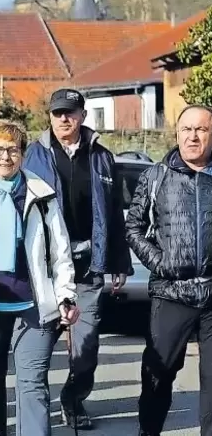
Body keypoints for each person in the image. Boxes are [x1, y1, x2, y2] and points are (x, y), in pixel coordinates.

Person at [0, 119, 80, 436]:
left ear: (22, 153)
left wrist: (66, 295)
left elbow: (60, 251)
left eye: (12, 150)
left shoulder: (42, 195)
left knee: (33, 381)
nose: (5, 158)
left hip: (35, 304)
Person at [23, 88, 132, 429]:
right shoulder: (33, 156)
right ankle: (33, 414)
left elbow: (113, 213)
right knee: (35, 353)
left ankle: (73, 398)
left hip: (88, 266)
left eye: (70, 112)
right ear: (50, 116)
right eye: (57, 113)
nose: (63, 119)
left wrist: (119, 262)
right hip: (45, 268)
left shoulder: (101, 157)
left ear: (83, 116)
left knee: (85, 351)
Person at [125, 105, 212, 436]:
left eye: (201, 130)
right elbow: (134, 227)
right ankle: (149, 431)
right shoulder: (156, 176)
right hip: (172, 293)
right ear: (176, 134)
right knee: (157, 375)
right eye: (186, 129)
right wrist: (159, 262)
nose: (193, 136)